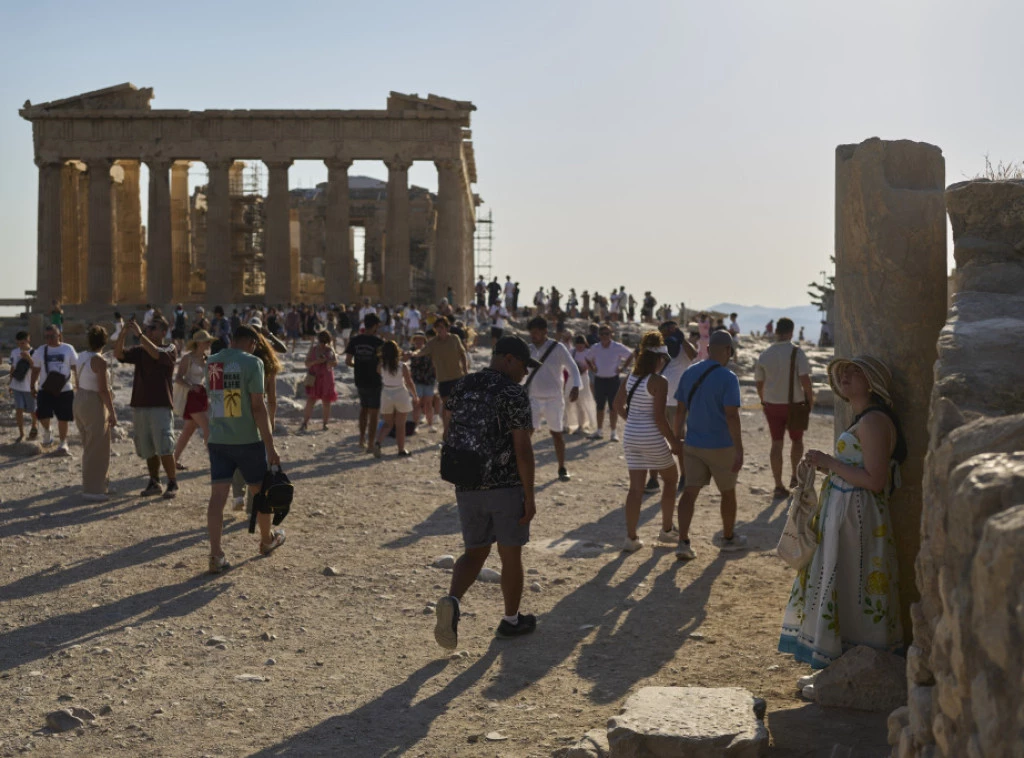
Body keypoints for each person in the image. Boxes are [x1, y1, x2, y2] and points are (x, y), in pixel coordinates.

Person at [779, 355, 906, 668]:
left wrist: (831, 463)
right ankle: (841, 663)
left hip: (859, 518)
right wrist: (828, 469)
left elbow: (875, 481)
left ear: (872, 382)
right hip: (848, 514)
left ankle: (859, 666)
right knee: (846, 581)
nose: (845, 377)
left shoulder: (874, 421)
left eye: (854, 372)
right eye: (843, 373)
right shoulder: (863, 417)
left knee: (855, 582)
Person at [433, 336, 540, 650]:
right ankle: (510, 620)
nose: (524, 374)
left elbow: (448, 424)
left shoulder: (463, 385)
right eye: (523, 366)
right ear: (508, 359)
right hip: (504, 484)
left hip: (466, 482)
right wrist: (530, 496)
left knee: (475, 552)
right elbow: (523, 449)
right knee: (510, 553)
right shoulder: (513, 393)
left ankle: (452, 600)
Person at [205, 325, 284, 573]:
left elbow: (221, 399)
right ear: (251, 342)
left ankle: (216, 554)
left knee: (218, 496)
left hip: (218, 437)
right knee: (260, 491)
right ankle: (266, 539)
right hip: (247, 438)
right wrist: (270, 445)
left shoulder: (214, 361)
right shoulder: (253, 363)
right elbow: (258, 407)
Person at [672, 329, 746, 560]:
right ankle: (728, 537)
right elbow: (732, 416)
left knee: (689, 492)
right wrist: (739, 449)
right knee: (727, 493)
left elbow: (680, 410)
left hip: (693, 444)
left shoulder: (690, 372)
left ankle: (683, 542)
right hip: (722, 445)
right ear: (727, 350)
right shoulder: (728, 378)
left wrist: (676, 438)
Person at [612, 332, 682, 552]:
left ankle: (631, 538)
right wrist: (674, 442)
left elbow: (617, 405)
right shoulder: (659, 381)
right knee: (671, 480)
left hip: (631, 436)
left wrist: (633, 421)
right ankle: (667, 529)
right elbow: (660, 418)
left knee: (635, 489)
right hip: (651, 436)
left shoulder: (630, 377)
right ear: (659, 358)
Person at [114, 315, 179, 499]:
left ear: (163, 332)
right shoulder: (141, 350)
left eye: (153, 329)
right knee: (148, 446)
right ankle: (154, 481)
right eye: (148, 328)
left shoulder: (170, 348)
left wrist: (141, 334)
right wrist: (123, 334)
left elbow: (156, 354)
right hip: (141, 405)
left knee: (165, 446)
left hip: (160, 405)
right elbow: (119, 354)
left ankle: (172, 482)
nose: (149, 331)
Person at [755, 317, 814, 499]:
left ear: (776, 332)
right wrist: (809, 402)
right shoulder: (797, 353)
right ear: (791, 332)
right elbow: (805, 381)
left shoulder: (765, 354)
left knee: (776, 443)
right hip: (794, 404)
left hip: (772, 404)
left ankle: (778, 485)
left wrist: (763, 400)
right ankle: (795, 477)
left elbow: (759, 383)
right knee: (797, 441)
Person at [231, 329, 284, 512]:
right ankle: (254, 506)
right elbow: (271, 399)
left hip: (239, 416)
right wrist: (272, 420)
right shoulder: (267, 365)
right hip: (259, 417)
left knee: (238, 459)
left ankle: (238, 495)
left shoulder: (239, 363)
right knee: (258, 462)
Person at [525, 317, 581, 482]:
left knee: (556, 434)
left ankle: (562, 467)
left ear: (544, 332)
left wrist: (576, 386)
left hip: (554, 399)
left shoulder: (558, 348)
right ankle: (521, 468)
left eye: (536, 332)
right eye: (531, 333)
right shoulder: (527, 349)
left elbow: (572, 367)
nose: (533, 336)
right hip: (533, 398)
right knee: (527, 434)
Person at [73, 326, 117, 500]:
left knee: (90, 444)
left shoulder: (81, 356)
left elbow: (77, 380)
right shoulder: (99, 361)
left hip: (80, 399)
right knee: (97, 446)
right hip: (93, 402)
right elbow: (103, 390)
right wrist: (112, 412)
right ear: (104, 341)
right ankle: (93, 490)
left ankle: (99, 484)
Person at [408, 316, 468, 436]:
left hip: (458, 377)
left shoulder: (454, 339)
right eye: (437, 328)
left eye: (441, 327)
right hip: (443, 380)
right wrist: (412, 354)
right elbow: (421, 351)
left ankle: (458, 431)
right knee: (447, 408)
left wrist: (465, 371)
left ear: (447, 328)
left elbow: (463, 354)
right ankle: (446, 432)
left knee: (458, 407)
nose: (439, 330)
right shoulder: (433, 343)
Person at [32, 323, 77, 454]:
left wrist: (80, 383)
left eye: (52, 336)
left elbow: (76, 367)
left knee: (63, 418)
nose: (49, 339)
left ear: (59, 335)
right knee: (42, 415)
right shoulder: (40, 350)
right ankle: (47, 431)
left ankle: (63, 443)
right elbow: (35, 370)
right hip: (45, 389)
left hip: (65, 389)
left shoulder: (68, 349)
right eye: (46, 337)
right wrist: (32, 385)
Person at [172, 330, 214, 470]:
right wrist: (191, 386)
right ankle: (214, 461)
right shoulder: (187, 358)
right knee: (207, 426)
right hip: (191, 396)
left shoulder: (207, 358)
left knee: (188, 431)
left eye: (209, 341)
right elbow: (178, 378)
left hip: (202, 395)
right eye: (206, 341)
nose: (209, 343)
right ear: (198, 342)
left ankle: (173, 460)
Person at [584, 325, 633, 441]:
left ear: (611, 334)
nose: (604, 336)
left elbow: (631, 355)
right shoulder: (596, 347)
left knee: (613, 407)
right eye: (602, 334)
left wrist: (622, 368)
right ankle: (599, 431)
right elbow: (587, 358)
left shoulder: (617, 347)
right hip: (600, 380)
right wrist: (592, 367)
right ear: (599, 335)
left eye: (607, 333)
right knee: (599, 406)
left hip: (613, 380)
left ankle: (613, 432)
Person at [346, 313, 385, 449]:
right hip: (374, 380)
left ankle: (361, 439)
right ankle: (370, 443)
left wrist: (358, 365)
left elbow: (348, 361)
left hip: (360, 379)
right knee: (374, 413)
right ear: (375, 326)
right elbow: (382, 363)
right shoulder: (379, 342)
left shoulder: (355, 340)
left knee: (364, 410)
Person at [374, 340, 417, 457]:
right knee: (401, 425)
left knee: (388, 423)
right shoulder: (402, 366)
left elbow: (380, 373)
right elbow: (409, 382)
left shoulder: (381, 366)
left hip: (386, 393)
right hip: (400, 393)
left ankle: (378, 443)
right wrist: (415, 395)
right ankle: (401, 449)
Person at [300, 330, 338, 433]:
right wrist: (316, 361)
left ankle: (325, 424)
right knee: (311, 400)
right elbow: (307, 363)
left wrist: (327, 361)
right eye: (321, 341)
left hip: (326, 378)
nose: (322, 344)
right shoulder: (313, 350)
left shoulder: (330, 349)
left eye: (324, 342)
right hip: (315, 378)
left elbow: (335, 362)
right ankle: (305, 423)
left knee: (326, 401)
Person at [9, 331, 39, 442]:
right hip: (17, 386)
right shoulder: (14, 352)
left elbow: (37, 369)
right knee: (19, 409)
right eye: (18, 343)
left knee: (32, 410)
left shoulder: (35, 353)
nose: (20, 346)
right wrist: (10, 383)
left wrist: (29, 358)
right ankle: (21, 434)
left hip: (29, 386)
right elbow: (12, 368)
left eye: (22, 343)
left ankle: (34, 425)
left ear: (28, 340)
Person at [565, 334, 597, 435]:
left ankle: (581, 425)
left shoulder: (588, 352)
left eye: (581, 344)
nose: (579, 347)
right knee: (567, 401)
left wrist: (585, 367)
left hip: (583, 379)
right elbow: (566, 363)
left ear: (585, 344)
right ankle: (567, 425)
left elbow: (593, 365)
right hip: (572, 378)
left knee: (582, 402)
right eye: (578, 344)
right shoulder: (572, 351)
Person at [409, 330, 438, 430]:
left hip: (428, 380)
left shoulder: (429, 350)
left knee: (428, 404)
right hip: (416, 381)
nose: (418, 341)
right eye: (416, 339)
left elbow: (434, 364)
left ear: (424, 340)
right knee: (417, 404)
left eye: (420, 339)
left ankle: (430, 425)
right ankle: (415, 426)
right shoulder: (411, 351)